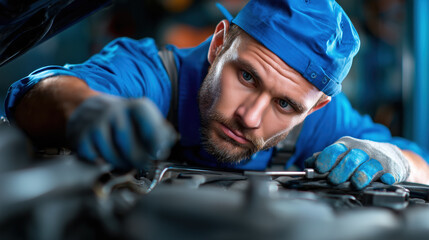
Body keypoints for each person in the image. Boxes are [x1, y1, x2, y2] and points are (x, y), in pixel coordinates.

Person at [4, 0, 429, 189]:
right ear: (218, 43)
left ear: (315, 107)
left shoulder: (318, 121)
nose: (251, 117)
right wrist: (86, 110)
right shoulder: (158, 77)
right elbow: (40, 94)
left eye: (285, 105)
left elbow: (418, 165)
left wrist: (391, 160)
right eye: (246, 76)